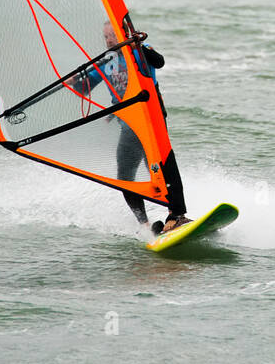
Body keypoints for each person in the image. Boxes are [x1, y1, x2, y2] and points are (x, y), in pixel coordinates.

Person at [69, 21, 190, 234]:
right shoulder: (107, 62)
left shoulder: (140, 51)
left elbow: (159, 62)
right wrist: (73, 82)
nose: (109, 40)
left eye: (113, 35)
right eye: (105, 36)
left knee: (160, 164)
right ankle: (146, 225)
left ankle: (176, 216)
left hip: (150, 116)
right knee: (126, 177)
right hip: (129, 122)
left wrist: (137, 45)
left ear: (123, 34)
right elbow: (85, 88)